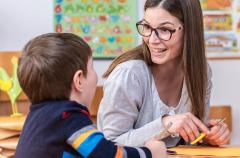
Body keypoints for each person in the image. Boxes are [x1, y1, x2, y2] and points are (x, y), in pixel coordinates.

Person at [97, 0, 231, 147]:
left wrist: (207, 136)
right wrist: (166, 124)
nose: (152, 40)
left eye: (165, 30)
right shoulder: (129, 74)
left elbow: (192, 140)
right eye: (147, 27)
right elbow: (108, 145)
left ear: (190, 30)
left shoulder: (201, 71)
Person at [15, 33, 167, 158]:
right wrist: (150, 153)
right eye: (92, 67)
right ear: (79, 80)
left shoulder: (37, 117)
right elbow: (109, 155)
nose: (96, 76)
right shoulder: (69, 117)